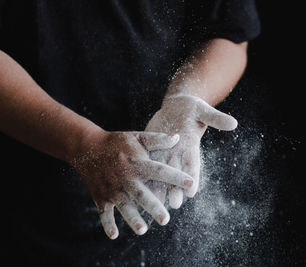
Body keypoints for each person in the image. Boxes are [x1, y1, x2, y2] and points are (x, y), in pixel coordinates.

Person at [0, 0, 260, 265]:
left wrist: (187, 94)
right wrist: (83, 143)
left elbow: (231, 34)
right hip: (21, 203)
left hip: (155, 189)